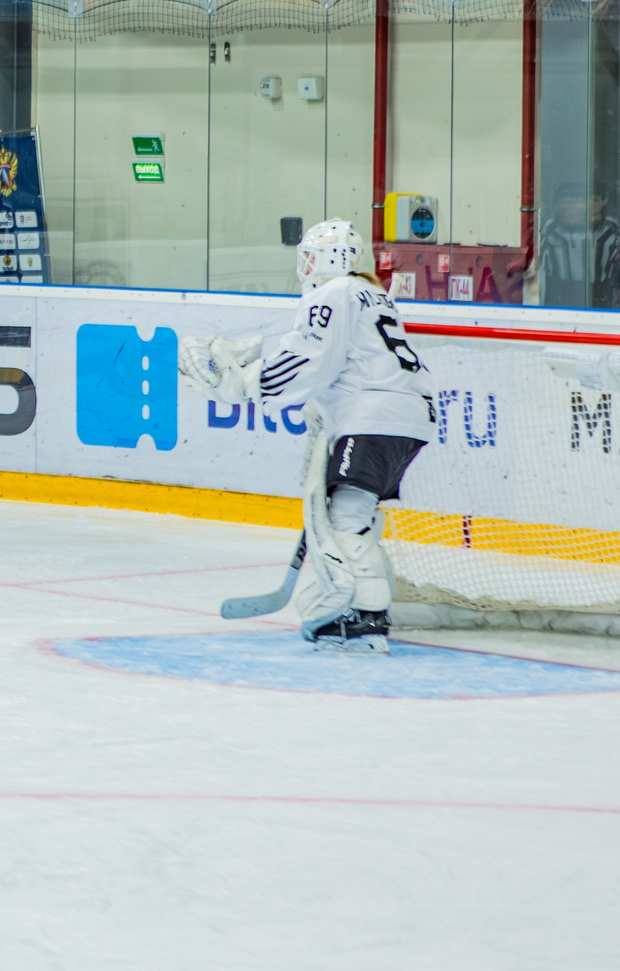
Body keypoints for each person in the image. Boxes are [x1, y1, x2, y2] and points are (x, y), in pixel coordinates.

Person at [181, 218, 434, 652]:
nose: (306, 265)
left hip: (374, 415)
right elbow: (341, 357)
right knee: (356, 510)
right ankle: (364, 605)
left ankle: (367, 615)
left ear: (328, 258)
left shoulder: (333, 293)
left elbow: (312, 355)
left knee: (346, 518)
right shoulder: (368, 293)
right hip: (406, 415)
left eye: (310, 256)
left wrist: (250, 386)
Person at [538, 180, 620, 309]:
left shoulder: (609, 227)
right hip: (558, 295)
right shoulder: (549, 228)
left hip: (598, 293)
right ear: (557, 203)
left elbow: (617, 260)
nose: (572, 205)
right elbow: (537, 261)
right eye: (565, 199)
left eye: (578, 199)